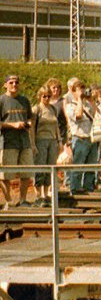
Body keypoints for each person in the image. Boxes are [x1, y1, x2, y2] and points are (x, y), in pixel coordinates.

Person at [0, 74, 36, 207]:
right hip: (8, 142)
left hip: (24, 141)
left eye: (16, 82)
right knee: (6, 175)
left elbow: (31, 117)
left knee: (26, 173)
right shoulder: (2, 100)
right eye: (11, 82)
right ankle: (8, 201)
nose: (14, 85)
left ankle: (22, 200)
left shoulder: (24, 100)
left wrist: (28, 123)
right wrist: (13, 125)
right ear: (5, 85)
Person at [64, 77, 98, 195]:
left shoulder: (88, 104)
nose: (83, 92)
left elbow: (98, 115)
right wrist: (79, 99)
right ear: (73, 92)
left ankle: (89, 186)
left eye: (83, 89)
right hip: (79, 138)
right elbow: (78, 115)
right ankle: (75, 188)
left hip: (91, 137)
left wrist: (91, 101)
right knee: (78, 165)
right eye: (79, 90)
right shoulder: (70, 106)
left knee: (91, 165)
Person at [31, 85, 61, 204]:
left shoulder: (53, 109)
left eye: (49, 96)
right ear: (40, 96)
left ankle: (46, 193)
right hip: (40, 139)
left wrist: (59, 140)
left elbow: (56, 125)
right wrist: (33, 144)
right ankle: (38, 195)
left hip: (52, 140)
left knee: (50, 166)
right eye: (44, 96)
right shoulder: (36, 109)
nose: (47, 98)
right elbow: (32, 128)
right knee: (40, 166)